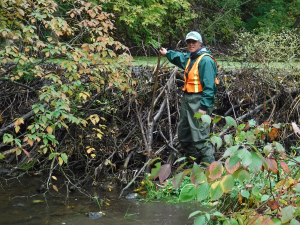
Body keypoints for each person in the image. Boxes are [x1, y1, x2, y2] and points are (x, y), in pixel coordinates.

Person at [159, 31, 217, 164]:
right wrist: (167, 53)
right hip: (188, 101)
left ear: (200, 43)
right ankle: (194, 165)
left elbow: (210, 86)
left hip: (199, 102)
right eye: (189, 42)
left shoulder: (206, 60)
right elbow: (179, 57)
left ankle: (212, 171)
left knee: (200, 137)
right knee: (184, 135)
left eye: (194, 42)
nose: (191, 44)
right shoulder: (191, 58)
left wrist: (204, 107)